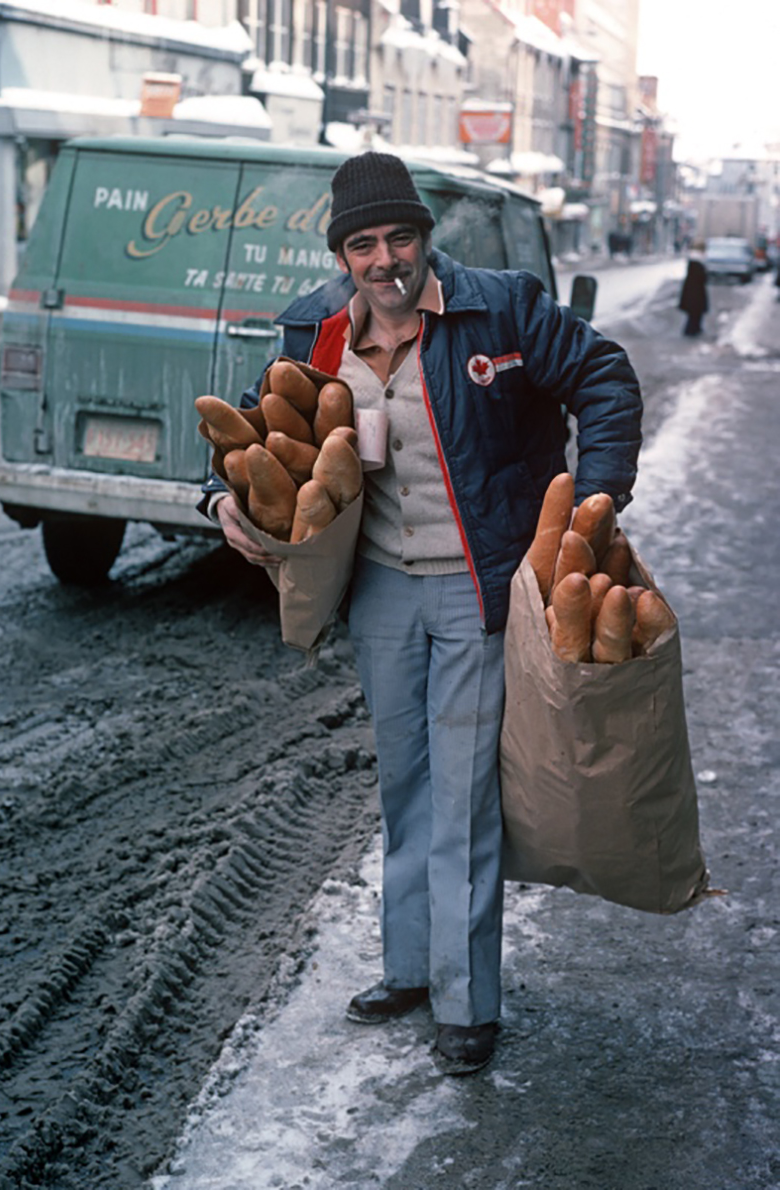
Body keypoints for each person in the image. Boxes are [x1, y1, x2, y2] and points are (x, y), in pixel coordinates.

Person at [202, 152, 643, 1076]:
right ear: (344, 254)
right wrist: (221, 507)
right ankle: (408, 966)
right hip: (381, 590)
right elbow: (251, 435)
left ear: (424, 238)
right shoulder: (315, 333)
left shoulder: (502, 307)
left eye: (400, 237)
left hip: (480, 586)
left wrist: (593, 509)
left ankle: (466, 999)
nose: (385, 259)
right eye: (363, 244)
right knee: (404, 784)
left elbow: (604, 377)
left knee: (464, 798)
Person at [678, 240, 708, 336]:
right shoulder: (697, 261)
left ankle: (694, 329)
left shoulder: (695, 260)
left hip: (693, 291)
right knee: (695, 313)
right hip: (695, 292)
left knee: (695, 313)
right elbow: (701, 277)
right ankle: (691, 330)